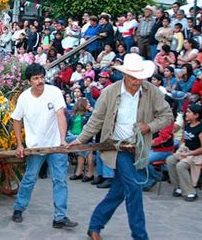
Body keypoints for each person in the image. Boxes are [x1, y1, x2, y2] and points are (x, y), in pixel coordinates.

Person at [69, 53, 173, 240]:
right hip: (118, 148)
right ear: (124, 75)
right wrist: (80, 139)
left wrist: (149, 126)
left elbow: (167, 116)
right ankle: (140, 236)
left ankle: (95, 225)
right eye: (133, 77)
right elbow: (97, 119)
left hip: (138, 149)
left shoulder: (151, 91)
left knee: (118, 191)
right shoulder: (110, 92)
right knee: (134, 189)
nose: (137, 81)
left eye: (140, 77)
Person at [11, 63, 77, 230]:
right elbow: (16, 120)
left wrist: (62, 140)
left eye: (41, 77)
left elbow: (60, 115)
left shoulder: (54, 92)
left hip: (55, 145)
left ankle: (60, 217)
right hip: (36, 146)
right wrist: (19, 144)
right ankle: (19, 208)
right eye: (35, 78)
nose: (40, 81)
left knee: (60, 180)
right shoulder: (24, 98)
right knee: (30, 178)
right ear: (29, 81)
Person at [166, 104, 202, 202]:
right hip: (187, 153)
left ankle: (190, 192)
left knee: (181, 165)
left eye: (189, 112)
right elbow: (183, 139)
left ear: (196, 115)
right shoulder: (188, 125)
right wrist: (182, 147)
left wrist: (188, 154)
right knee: (170, 160)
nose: (186, 113)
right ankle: (178, 187)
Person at [67, 98, 94, 182]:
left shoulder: (89, 115)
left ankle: (80, 173)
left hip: (83, 137)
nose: (89, 105)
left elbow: (95, 121)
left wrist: (92, 111)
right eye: (87, 103)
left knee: (85, 148)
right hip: (72, 136)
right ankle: (87, 173)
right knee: (85, 150)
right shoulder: (73, 115)